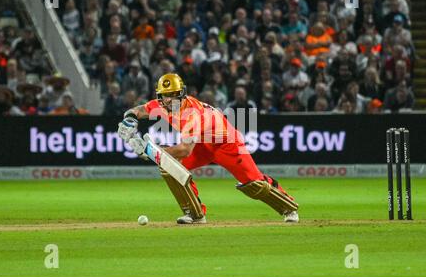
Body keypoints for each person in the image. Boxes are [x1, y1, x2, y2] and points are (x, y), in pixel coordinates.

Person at [117, 73, 299, 224]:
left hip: (226, 143)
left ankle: (289, 208)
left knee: (254, 183)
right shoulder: (160, 105)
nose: (170, 99)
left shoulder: (193, 113)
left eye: (174, 94)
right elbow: (140, 110)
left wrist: (150, 151)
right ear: (160, 97)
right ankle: (195, 214)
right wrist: (130, 119)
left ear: (182, 93)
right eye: (166, 95)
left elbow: (185, 150)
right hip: (203, 145)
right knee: (168, 166)